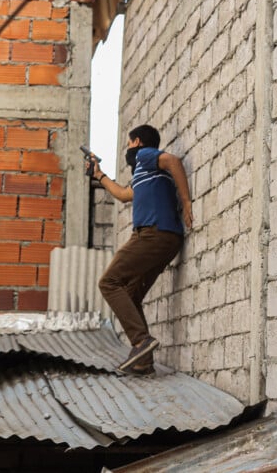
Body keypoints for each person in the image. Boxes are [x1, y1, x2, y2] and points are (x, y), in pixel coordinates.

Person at [86, 125, 193, 376]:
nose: (128, 149)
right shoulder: (144, 172)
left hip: (153, 233)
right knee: (131, 294)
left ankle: (141, 341)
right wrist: (99, 175)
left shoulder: (145, 155)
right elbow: (124, 195)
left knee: (109, 282)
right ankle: (143, 362)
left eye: (128, 143)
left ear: (137, 142)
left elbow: (173, 161)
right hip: (167, 239)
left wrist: (187, 201)